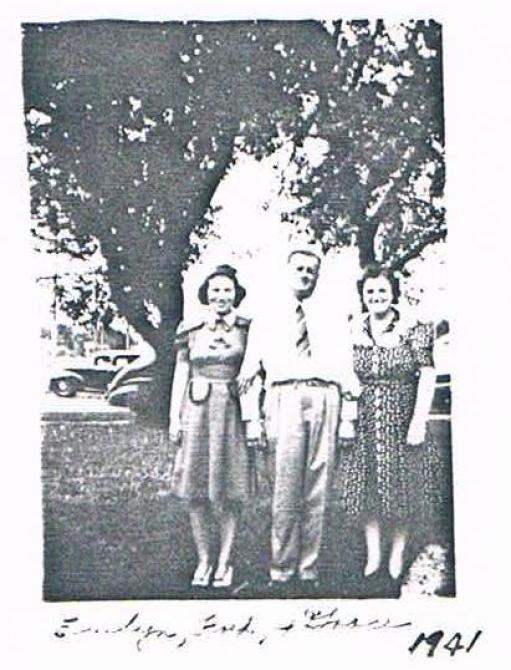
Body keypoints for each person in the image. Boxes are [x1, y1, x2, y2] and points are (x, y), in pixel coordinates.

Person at [238, 249, 356, 592]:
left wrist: (348, 418)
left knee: (318, 486)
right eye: (300, 269)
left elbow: (346, 369)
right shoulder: (267, 315)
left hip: (325, 396)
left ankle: (309, 568)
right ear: (288, 272)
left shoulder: (333, 315)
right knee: (285, 486)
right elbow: (249, 373)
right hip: (283, 396)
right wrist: (251, 419)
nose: (305, 274)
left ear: (318, 276)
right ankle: (281, 568)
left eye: (311, 270)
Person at [338, 264, 438, 587]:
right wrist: (348, 417)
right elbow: (346, 374)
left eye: (382, 290)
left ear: (393, 293)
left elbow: (427, 374)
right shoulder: (353, 328)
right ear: (363, 296)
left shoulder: (413, 328)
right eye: (370, 291)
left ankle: (397, 552)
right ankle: (374, 555)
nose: (376, 296)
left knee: (402, 485)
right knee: (366, 485)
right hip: (365, 416)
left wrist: (418, 421)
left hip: (401, 413)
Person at [168, 264, 250, 589]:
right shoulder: (191, 328)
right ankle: (204, 559)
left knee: (230, 488)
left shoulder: (247, 328)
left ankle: (225, 561)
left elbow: (255, 370)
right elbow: (180, 374)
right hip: (197, 409)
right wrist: (175, 417)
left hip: (232, 410)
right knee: (195, 487)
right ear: (206, 294)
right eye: (215, 290)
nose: (221, 295)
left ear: (236, 294)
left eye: (227, 289)